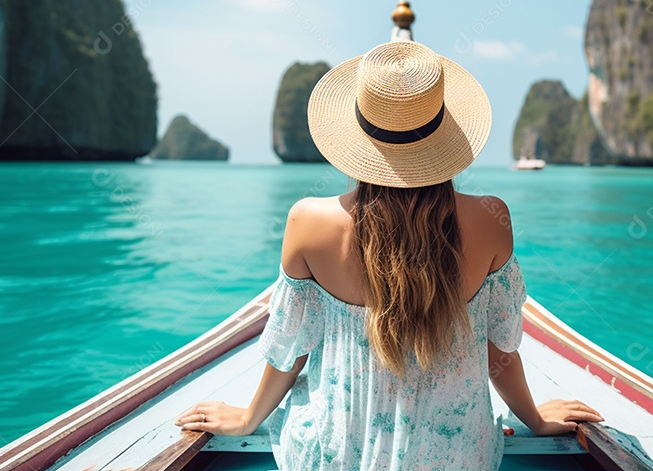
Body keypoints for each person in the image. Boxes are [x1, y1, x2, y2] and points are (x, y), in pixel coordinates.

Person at [174, 41, 602, 469]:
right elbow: (498, 353)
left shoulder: (307, 221)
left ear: (355, 135)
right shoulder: (491, 220)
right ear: (445, 134)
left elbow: (292, 350)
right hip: (455, 458)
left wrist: (250, 417)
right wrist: (536, 419)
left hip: (336, 456)